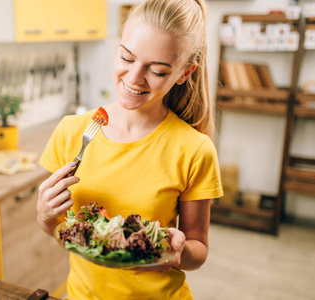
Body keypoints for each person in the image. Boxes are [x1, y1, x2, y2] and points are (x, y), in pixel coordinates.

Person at [37, 0, 223, 298]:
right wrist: (45, 216)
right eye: (127, 57)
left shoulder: (195, 149)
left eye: (158, 71)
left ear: (184, 73)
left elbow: (198, 251)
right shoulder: (72, 132)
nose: (134, 78)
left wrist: (178, 252)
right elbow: (65, 231)